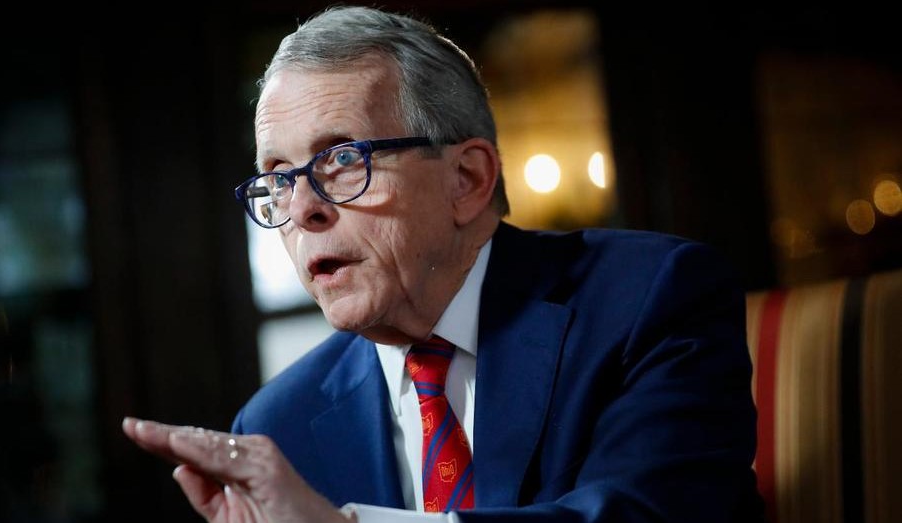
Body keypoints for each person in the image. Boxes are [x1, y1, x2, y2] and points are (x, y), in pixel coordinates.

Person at [123, 5, 763, 522]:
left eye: (342, 159)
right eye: (278, 178)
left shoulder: (650, 299)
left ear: (467, 178)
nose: (303, 210)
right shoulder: (276, 426)